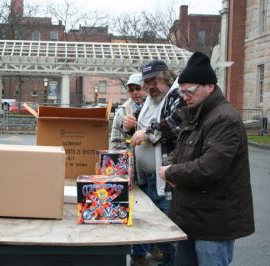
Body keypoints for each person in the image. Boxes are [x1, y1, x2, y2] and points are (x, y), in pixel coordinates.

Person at [159, 51, 255, 266]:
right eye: (182, 92)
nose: (185, 96)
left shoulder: (224, 119)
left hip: (214, 222)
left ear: (209, 87)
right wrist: (171, 165)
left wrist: (171, 172)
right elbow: (180, 151)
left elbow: (210, 167)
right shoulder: (195, 113)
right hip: (191, 216)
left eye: (190, 91)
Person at [130, 60, 186, 266]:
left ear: (166, 77)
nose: (149, 86)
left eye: (153, 80)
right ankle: (141, 257)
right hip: (146, 177)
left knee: (167, 230)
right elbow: (142, 126)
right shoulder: (152, 99)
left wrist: (147, 132)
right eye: (147, 81)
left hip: (165, 177)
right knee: (146, 223)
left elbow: (178, 122)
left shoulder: (176, 94)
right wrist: (132, 125)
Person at [109, 73, 146, 150]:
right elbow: (116, 143)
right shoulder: (122, 112)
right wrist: (129, 158)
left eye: (138, 88)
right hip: (131, 158)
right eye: (131, 90)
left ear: (146, 88)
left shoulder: (156, 107)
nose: (135, 92)